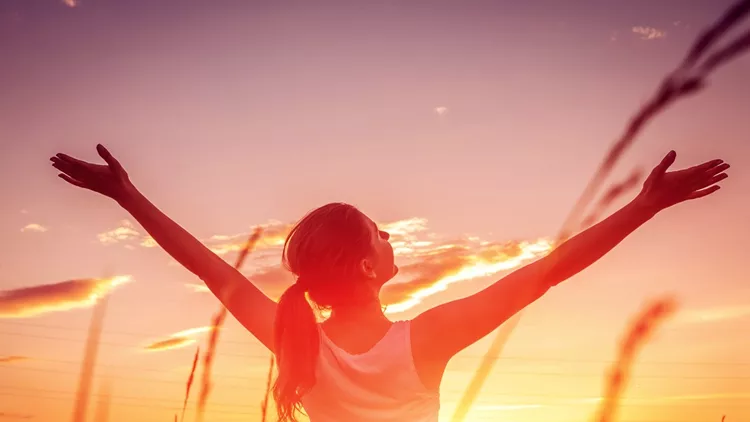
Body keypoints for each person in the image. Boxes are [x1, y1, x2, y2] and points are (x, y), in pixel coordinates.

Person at [51, 145, 729, 422]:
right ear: (369, 267)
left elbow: (208, 268)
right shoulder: (428, 339)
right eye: (381, 234)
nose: (391, 238)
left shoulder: (296, 344)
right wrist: (645, 206)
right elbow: (546, 274)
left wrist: (128, 197)